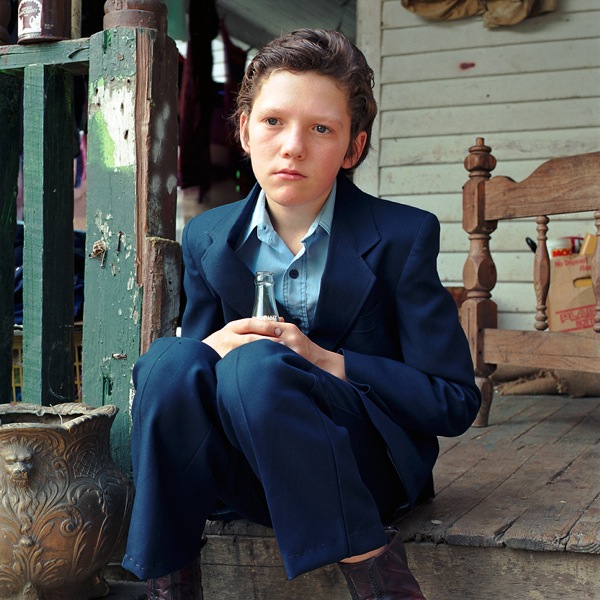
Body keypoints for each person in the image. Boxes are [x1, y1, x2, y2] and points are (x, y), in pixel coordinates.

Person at [121, 28, 481, 600]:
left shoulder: (403, 236)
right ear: (243, 130)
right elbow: (188, 383)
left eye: (321, 129)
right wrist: (213, 348)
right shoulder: (209, 236)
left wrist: (325, 361)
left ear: (353, 147)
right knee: (170, 360)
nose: (292, 146)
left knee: (257, 368)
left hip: (366, 470)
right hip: (250, 473)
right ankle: (170, 583)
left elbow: (455, 402)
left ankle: (376, 573)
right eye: (272, 122)